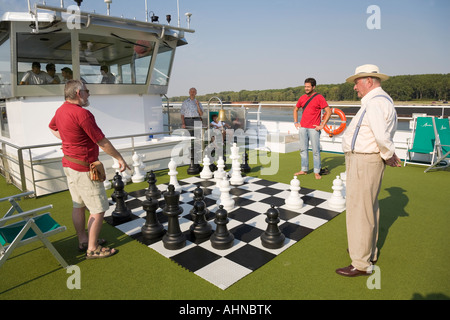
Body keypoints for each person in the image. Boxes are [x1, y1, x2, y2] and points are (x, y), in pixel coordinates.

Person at [49, 80, 130, 259]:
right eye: (87, 91)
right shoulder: (83, 114)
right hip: (85, 168)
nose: (89, 94)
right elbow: (101, 141)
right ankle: (92, 249)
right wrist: (119, 158)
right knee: (98, 208)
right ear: (78, 93)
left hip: (69, 165)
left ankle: (84, 240)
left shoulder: (61, 110)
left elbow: (52, 127)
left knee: (78, 205)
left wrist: (69, 141)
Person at [336, 64, 401, 277]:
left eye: (357, 83)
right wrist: (387, 153)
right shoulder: (382, 101)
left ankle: (361, 263)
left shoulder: (374, 104)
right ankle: (366, 252)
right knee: (369, 209)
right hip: (367, 160)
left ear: (368, 82)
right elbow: (383, 135)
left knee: (359, 212)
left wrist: (388, 154)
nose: (355, 88)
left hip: (364, 161)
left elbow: (382, 136)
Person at [293, 78, 332, 179]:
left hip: (314, 129)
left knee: (315, 151)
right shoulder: (302, 98)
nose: (306, 88)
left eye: (308, 87)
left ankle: (317, 171)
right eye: (305, 86)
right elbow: (296, 109)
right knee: (303, 149)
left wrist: (322, 125)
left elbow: (328, 111)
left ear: (313, 87)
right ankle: (304, 169)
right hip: (302, 128)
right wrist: (296, 122)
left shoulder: (319, 98)